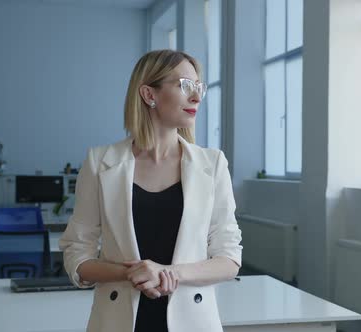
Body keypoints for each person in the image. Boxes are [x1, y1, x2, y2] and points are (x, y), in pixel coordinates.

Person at [59, 49, 243, 332]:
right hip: (118, 320)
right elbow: (77, 254)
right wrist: (134, 273)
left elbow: (229, 259)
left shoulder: (212, 163)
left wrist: (170, 273)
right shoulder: (100, 162)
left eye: (199, 88)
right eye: (185, 86)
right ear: (149, 94)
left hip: (192, 320)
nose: (196, 97)